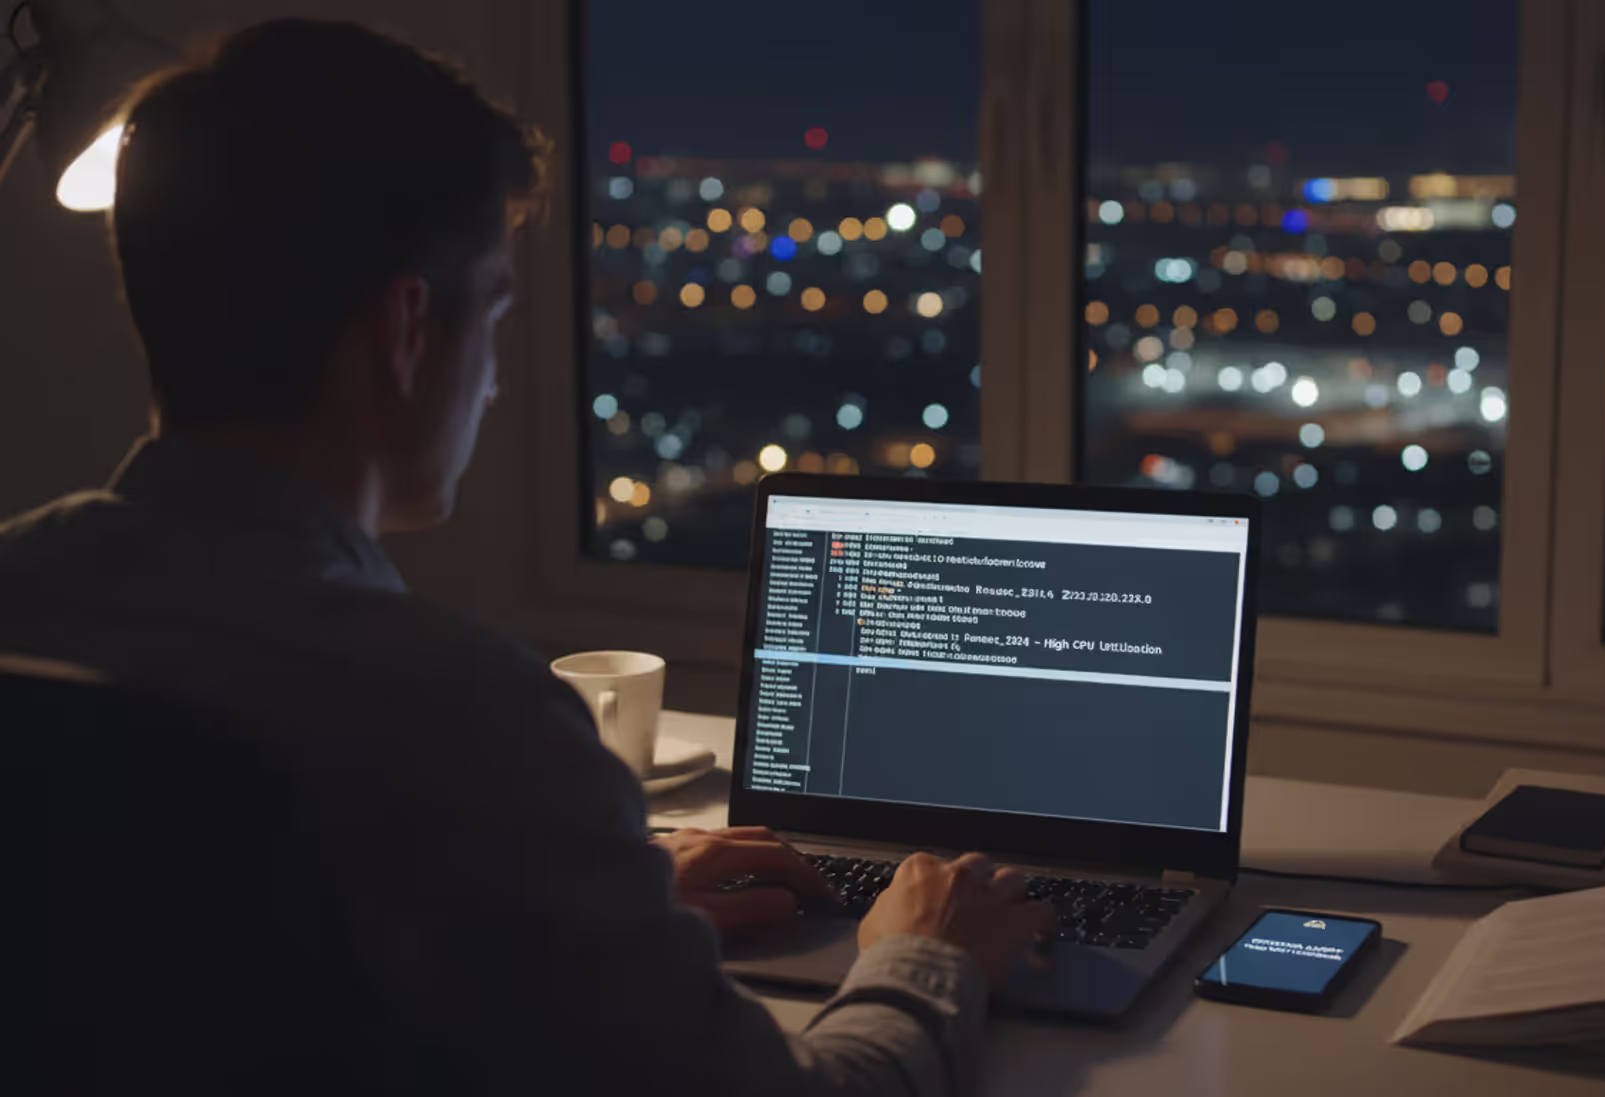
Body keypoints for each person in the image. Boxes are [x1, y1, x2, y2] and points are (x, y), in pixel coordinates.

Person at [1, 20, 1050, 1095]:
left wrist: (594, 891)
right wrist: (930, 954)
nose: (495, 383)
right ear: (406, 331)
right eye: (494, 318)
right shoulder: (461, 717)